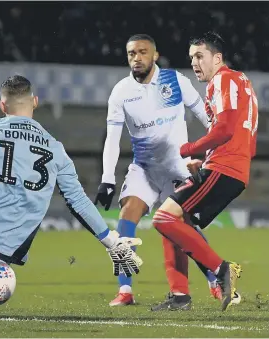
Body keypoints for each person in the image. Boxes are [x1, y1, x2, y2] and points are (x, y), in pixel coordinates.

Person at [0, 75, 143, 320]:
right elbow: (77, 201)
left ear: (2, 106)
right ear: (35, 102)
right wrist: (110, 240)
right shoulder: (56, 148)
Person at [94, 33, 225, 308]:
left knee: (184, 228)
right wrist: (107, 179)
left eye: (143, 52)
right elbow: (112, 138)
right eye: (131, 53)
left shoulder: (175, 80)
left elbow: (205, 115)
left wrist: (215, 151)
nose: (137, 58)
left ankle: (215, 278)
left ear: (154, 55)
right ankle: (125, 291)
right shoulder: (120, 92)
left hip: (178, 167)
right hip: (145, 168)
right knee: (126, 217)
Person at [152, 31, 258, 311]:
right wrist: (207, 158)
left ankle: (221, 270)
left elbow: (224, 130)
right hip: (229, 166)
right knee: (175, 221)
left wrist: (192, 149)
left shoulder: (223, 80)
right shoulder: (242, 82)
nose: (195, 63)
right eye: (191, 58)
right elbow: (239, 134)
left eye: (200, 56)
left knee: (163, 218)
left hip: (226, 167)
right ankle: (180, 296)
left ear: (218, 58)